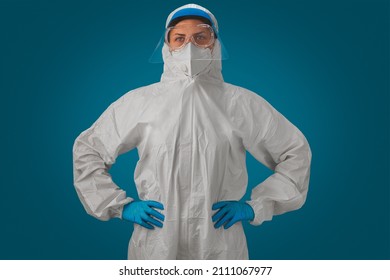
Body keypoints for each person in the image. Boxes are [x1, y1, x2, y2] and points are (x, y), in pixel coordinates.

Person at [73, 3, 312, 260]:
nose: (190, 47)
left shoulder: (241, 104)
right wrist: (121, 206)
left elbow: (295, 152)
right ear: (167, 46)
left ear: (214, 44)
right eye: (179, 38)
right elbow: (89, 149)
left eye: (201, 37)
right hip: (156, 242)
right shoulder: (140, 102)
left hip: (220, 244)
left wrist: (256, 207)